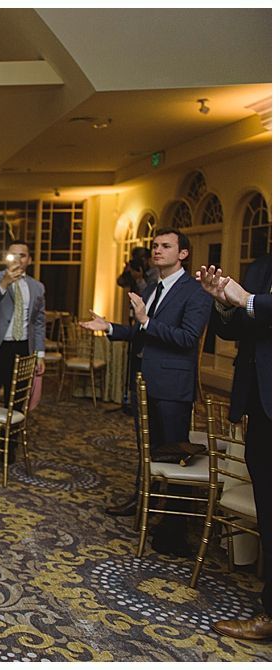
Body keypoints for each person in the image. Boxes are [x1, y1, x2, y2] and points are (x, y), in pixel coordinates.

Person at [80, 229, 212, 555]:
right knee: (147, 447)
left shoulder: (195, 291)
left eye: (166, 246)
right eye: (155, 246)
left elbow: (187, 338)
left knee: (175, 455)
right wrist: (111, 327)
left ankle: (174, 528)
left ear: (183, 254)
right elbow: (142, 331)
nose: (157, 250)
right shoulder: (154, 287)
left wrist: (146, 320)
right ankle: (142, 502)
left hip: (172, 387)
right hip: (145, 381)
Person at [196, 257, 271, 641]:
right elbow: (235, 329)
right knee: (269, 505)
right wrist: (224, 303)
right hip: (262, 403)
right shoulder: (261, 267)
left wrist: (248, 300)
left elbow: (254, 304)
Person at [0, 241, 46, 407]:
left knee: (16, 400)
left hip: (23, 348)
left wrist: (40, 355)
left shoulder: (37, 287)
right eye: (13, 255)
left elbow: (38, 322)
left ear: (29, 260)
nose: (17, 259)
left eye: (22, 255)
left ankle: (12, 425)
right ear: (6, 258)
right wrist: (4, 284)